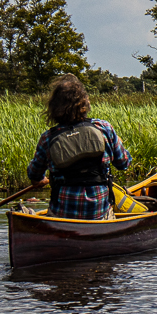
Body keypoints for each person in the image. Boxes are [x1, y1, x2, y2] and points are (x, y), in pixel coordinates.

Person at [26, 74, 132, 220]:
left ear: (54, 107)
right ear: (84, 104)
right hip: (99, 214)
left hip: (62, 215)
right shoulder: (104, 128)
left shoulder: (48, 138)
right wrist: (118, 142)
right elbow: (123, 163)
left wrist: (40, 179)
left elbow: (34, 175)